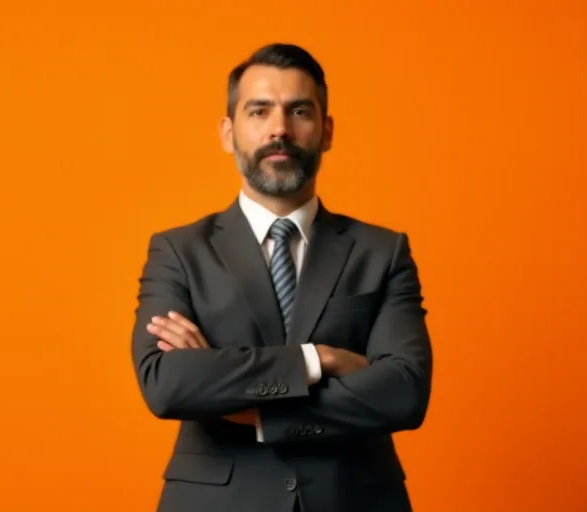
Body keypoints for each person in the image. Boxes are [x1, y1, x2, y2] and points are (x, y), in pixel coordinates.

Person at [130, 43, 433, 512]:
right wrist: (319, 360)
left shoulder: (382, 251)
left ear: (326, 131)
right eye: (259, 111)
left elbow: (404, 391)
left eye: (299, 111)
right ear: (228, 133)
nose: (279, 129)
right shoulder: (178, 251)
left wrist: (247, 407)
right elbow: (168, 384)